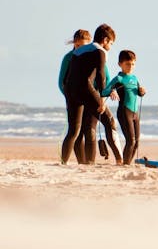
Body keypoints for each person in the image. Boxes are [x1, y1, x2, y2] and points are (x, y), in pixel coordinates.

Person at [61, 23, 121, 165]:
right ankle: (120, 160)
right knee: (110, 121)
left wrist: (69, 94)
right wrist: (101, 100)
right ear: (105, 40)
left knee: (74, 131)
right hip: (86, 89)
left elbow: (67, 78)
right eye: (111, 43)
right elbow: (101, 76)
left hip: (70, 91)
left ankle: (63, 163)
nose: (110, 47)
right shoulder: (100, 51)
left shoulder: (78, 51)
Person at [102, 50, 146, 165]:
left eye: (133, 64)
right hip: (124, 111)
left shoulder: (135, 78)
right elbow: (104, 91)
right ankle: (125, 165)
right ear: (120, 64)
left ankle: (127, 164)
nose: (130, 66)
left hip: (135, 113)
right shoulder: (119, 79)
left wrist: (142, 91)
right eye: (127, 64)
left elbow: (138, 93)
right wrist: (112, 90)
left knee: (136, 142)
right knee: (130, 140)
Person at [58, 29, 91, 164]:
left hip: (89, 99)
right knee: (74, 131)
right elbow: (61, 82)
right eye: (78, 46)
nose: (80, 49)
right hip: (74, 99)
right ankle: (63, 162)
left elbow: (104, 76)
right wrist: (69, 97)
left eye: (84, 46)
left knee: (84, 132)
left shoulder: (92, 57)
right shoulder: (69, 57)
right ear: (74, 44)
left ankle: (83, 163)